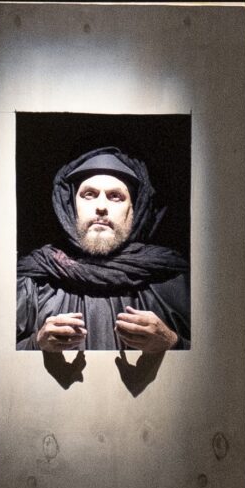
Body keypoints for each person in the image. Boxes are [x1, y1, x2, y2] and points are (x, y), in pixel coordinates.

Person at [17, 145, 191, 353]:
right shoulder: (36, 281)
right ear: (71, 205)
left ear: (135, 209)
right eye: (89, 194)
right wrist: (36, 344)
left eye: (115, 196)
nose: (101, 207)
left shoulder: (170, 280)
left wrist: (172, 343)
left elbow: (219, 358)